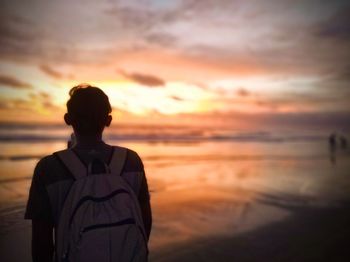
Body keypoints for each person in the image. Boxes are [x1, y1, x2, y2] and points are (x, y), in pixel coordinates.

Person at [25, 84, 152, 261]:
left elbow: (41, 242)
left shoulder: (48, 168)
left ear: (68, 119)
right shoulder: (131, 160)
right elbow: (144, 222)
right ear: (108, 120)